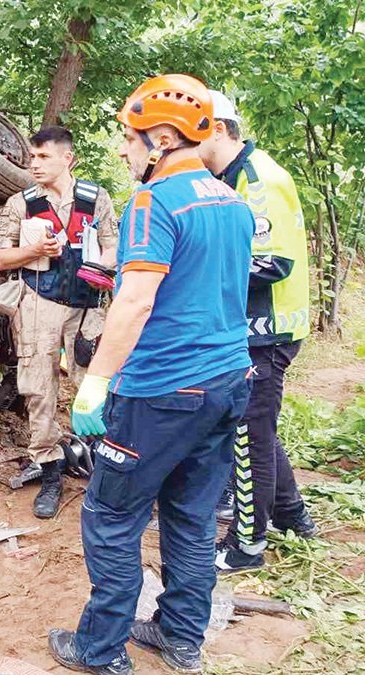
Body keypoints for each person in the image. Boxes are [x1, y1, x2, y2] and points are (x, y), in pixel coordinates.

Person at [49, 75, 254, 675]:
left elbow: (136, 303)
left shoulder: (153, 202)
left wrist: (95, 382)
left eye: (129, 139)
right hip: (225, 384)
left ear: (161, 139)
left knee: (111, 519)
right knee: (190, 516)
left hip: (161, 389)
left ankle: (99, 650)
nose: (123, 150)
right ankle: (180, 635)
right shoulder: (231, 201)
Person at [199, 91, 317, 572]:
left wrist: (194, 267)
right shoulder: (227, 177)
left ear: (221, 129)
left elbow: (273, 262)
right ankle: (292, 515)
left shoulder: (257, 177)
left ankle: (247, 546)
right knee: (258, 429)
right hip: (251, 329)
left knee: (248, 433)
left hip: (267, 330)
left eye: (194, 129)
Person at [0, 126, 119, 519]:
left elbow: (115, 247)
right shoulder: (21, 203)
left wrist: (101, 265)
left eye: (43, 156)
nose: (34, 163)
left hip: (86, 307)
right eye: (32, 157)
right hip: (38, 304)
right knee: (38, 390)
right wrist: (33, 250)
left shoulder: (95, 199)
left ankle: (104, 474)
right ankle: (50, 473)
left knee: (94, 388)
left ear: (68, 158)